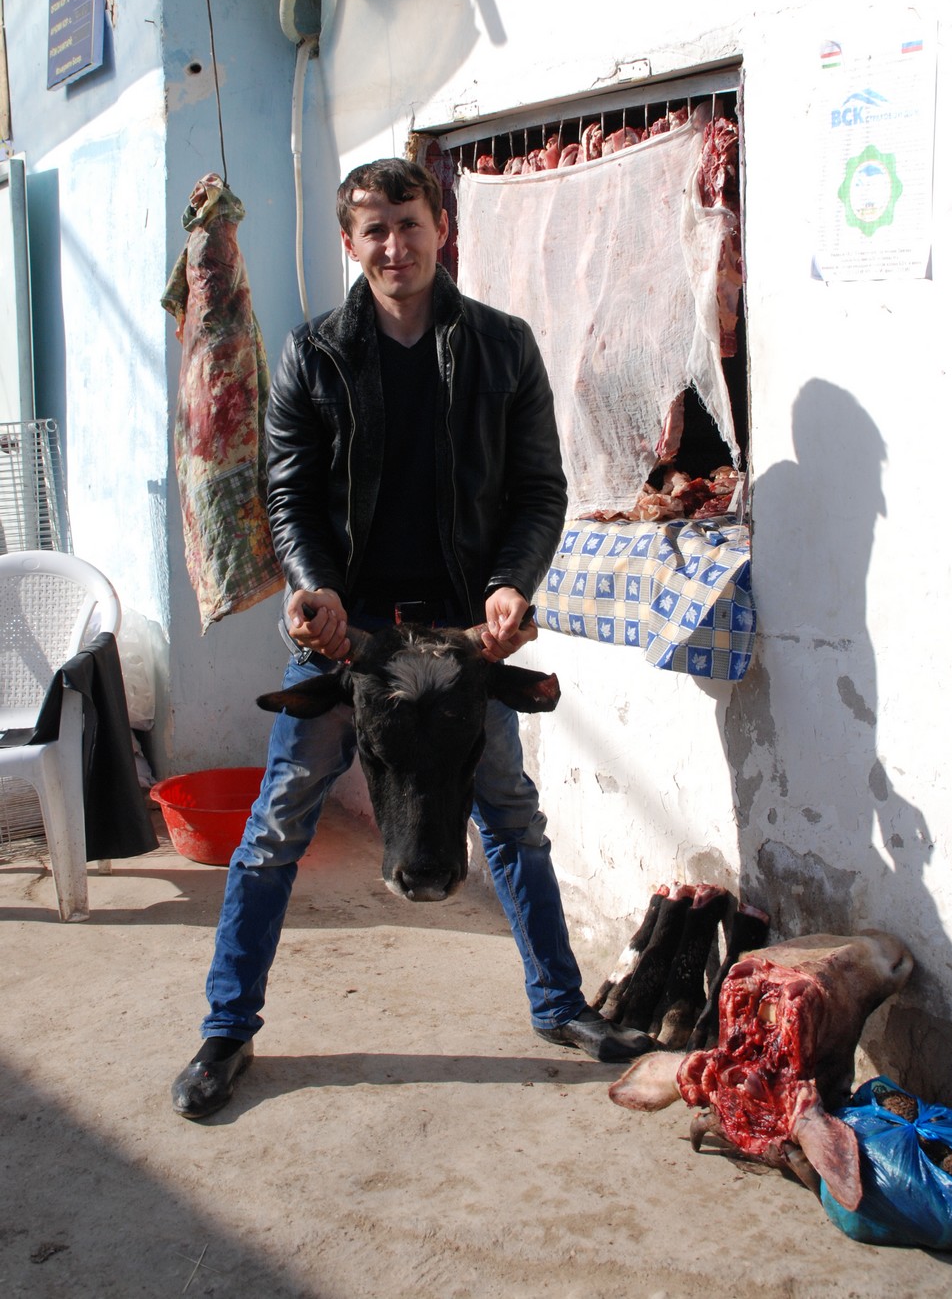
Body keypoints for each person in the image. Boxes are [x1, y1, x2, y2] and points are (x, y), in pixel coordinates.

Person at [171, 157, 656, 1119]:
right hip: (349, 641)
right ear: (350, 246)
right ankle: (227, 1030)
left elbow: (538, 491)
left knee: (510, 813)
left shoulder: (505, 348)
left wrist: (512, 584)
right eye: (374, 231)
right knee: (277, 825)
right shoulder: (314, 354)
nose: (396, 246)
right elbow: (290, 493)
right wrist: (317, 593)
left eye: (410, 223)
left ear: (443, 227)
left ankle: (559, 1004)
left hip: (460, 640)